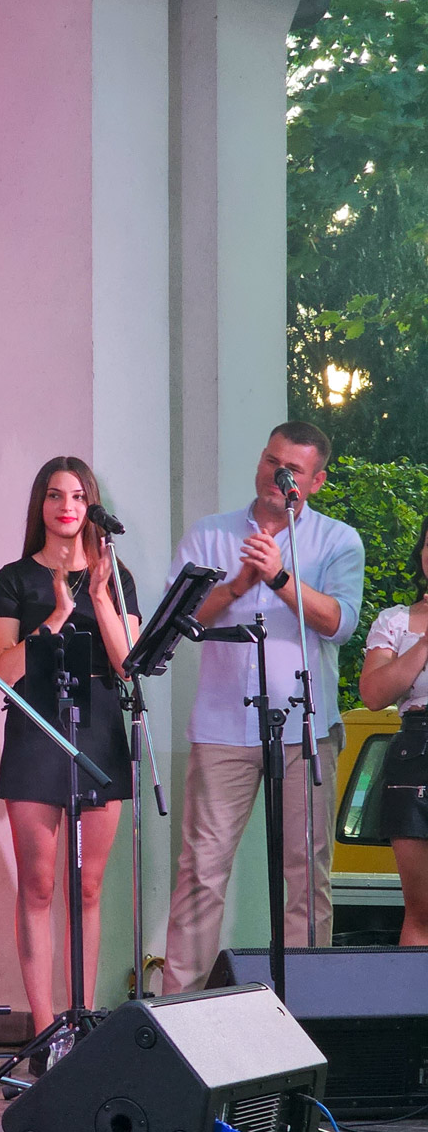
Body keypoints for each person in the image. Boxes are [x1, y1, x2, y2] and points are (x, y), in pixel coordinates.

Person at [162, 421, 365, 993]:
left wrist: (278, 577)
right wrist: (236, 584)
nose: (278, 475)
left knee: (306, 877)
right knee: (201, 873)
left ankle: (307, 1008)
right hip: (222, 727)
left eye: (292, 469)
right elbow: (176, 621)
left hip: (305, 728)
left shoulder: (338, 540)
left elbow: (341, 623)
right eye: (272, 461)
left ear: (315, 481)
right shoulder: (210, 534)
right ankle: (179, 1013)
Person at [0, 457, 139, 1068]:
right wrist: (55, 616)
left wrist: (97, 594)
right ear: (40, 506)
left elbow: (128, 666)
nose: (66, 507)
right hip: (37, 725)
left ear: (90, 505)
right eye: (54, 495)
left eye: (77, 496)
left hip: (99, 726)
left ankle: (82, 1019)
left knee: (89, 886)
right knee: (40, 885)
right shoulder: (15, 578)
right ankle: (45, 1030)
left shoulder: (115, 575)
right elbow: (3, 668)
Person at [358, 513, 428, 947]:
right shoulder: (396, 620)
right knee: (421, 912)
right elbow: (373, 694)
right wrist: (424, 642)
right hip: (416, 752)